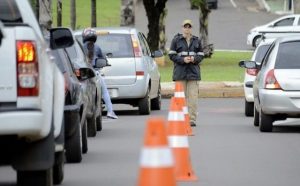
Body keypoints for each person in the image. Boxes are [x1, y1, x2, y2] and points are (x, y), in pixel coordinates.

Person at [168, 19, 204, 127]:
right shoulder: (176, 40)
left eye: (189, 27)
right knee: (180, 98)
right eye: (185, 26)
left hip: (193, 73)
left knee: (193, 97)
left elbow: (201, 55)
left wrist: (194, 59)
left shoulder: (197, 41)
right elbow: (171, 55)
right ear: (182, 28)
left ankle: (192, 119)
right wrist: (183, 60)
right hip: (180, 73)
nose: (187, 29)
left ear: (191, 28)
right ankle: (180, 118)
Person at [82, 28, 118, 119]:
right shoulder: (97, 47)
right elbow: (103, 60)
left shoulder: (80, 47)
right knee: (105, 92)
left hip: (84, 74)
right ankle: (110, 111)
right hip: (95, 73)